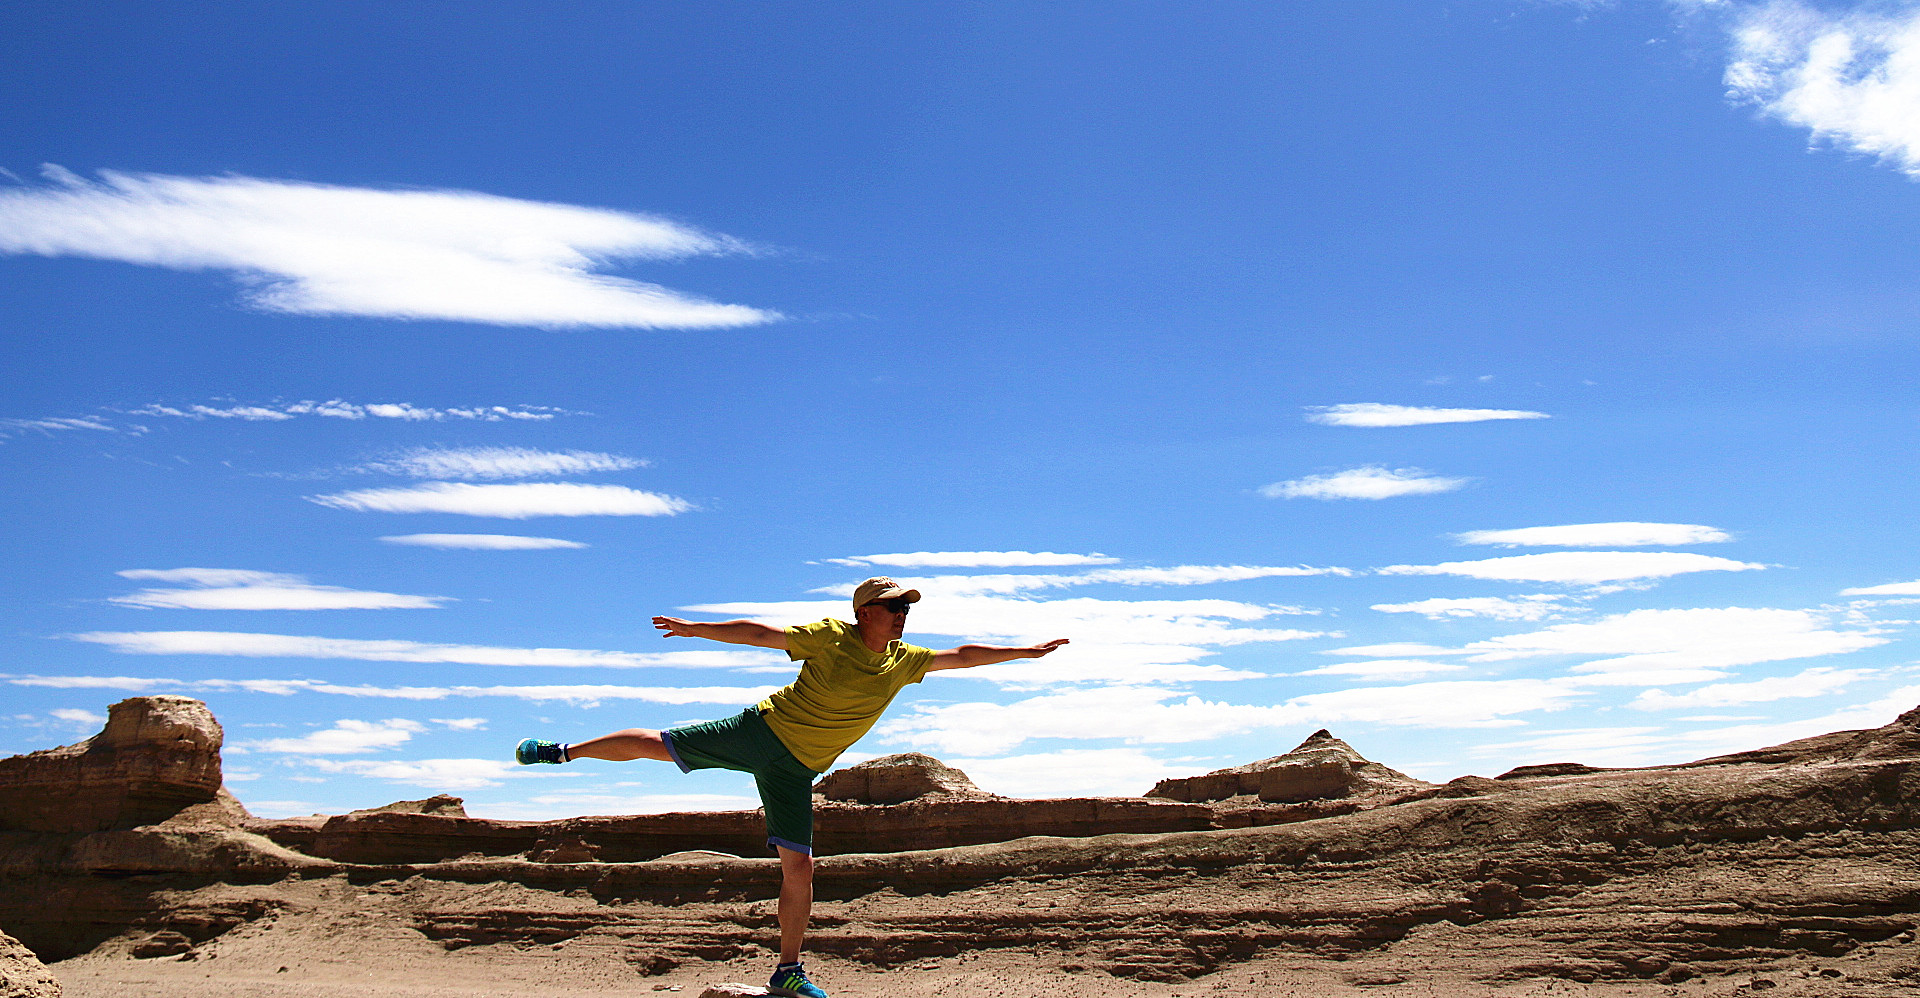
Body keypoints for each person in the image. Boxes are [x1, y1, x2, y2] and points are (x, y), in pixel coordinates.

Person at [513, 576, 1068, 998]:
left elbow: (964, 655)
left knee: (800, 867)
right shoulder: (830, 637)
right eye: (895, 607)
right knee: (658, 744)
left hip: (795, 771)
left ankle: (787, 973)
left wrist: (1023, 652)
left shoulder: (904, 662)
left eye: (908, 608)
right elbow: (762, 634)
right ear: (865, 612)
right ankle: (563, 751)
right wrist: (694, 629)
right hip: (761, 732)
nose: (904, 616)